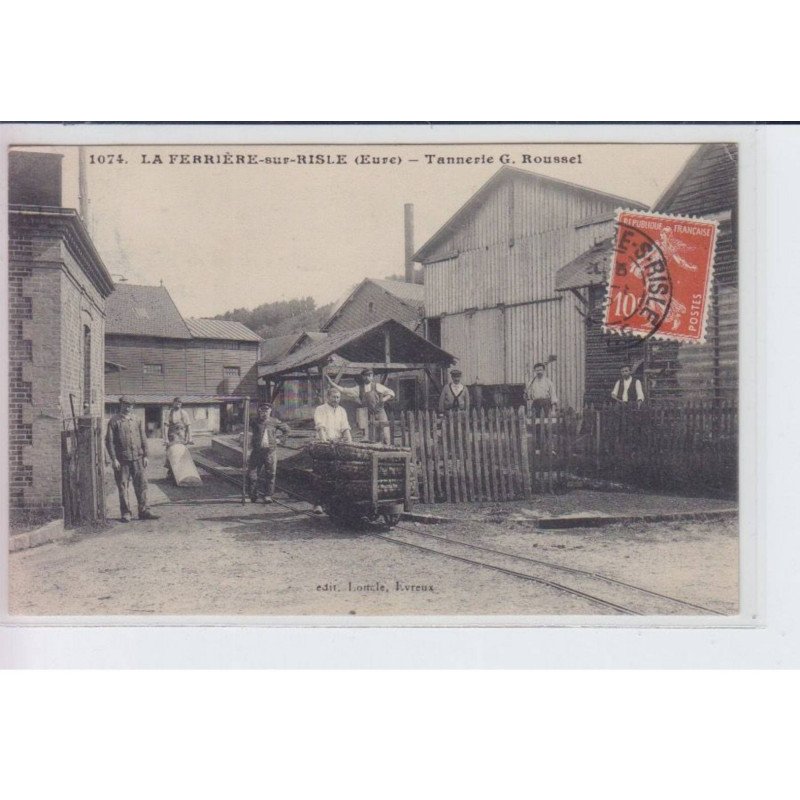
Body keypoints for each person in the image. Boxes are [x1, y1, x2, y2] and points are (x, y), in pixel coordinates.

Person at [105, 396, 159, 522]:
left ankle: (144, 510)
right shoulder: (114, 421)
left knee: (142, 485)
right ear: (121, 405)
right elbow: (109, 441)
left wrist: (146, 455)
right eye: (125, 405)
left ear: (133, 407)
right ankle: (126, 513)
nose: (128, 408)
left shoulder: (137, 420)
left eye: (130, 406)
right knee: (123, 486)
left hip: (138, 459)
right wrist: (114, 459)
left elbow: (143, 438)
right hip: (122, 460)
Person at [312, 387, 353, 514]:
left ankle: (336, 503)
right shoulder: (321, 409)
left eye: (338, 397)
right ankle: (317, 504)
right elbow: (320, 427)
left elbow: (345, 428)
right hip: (324, 443)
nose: (336, 400)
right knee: (322, 474)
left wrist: (350, 443)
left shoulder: (342, 410)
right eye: (333, 397)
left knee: (339, 472)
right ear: (327, 397)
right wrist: (325, 443)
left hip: (338, 444)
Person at [327, 368, 395, 444]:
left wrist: (384, 399)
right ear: (363, 377)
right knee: (372, 437)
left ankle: (387, 449)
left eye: (370, 375)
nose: (369, 377)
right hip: (368, 415)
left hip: (380, 413)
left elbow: (391, 393)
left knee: (385, 434)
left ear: (372, 377)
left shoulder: (377, 386)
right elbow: (344, 390)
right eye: (366, 375)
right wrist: (331, 383)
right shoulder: (359, 388)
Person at [247, 401, 290, 503]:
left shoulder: (274, 421)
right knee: (252, 474)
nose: (264, 413)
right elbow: (245, 427)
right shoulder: (254, 421)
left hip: (270, 452)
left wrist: (280, 440)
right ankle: (253, 495)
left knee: (270, 474)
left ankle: (268, 495)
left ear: (270, 411)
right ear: (259, 411)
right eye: (262, 410)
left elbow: (287, 430)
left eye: (267, 411)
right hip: (256, 452)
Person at [163, 397, 192, 476]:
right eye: (177, 402)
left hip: (182, 436)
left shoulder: (184, 413)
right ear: (173, 403)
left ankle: (181, 474)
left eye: (180, 403)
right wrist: (166, 439)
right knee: (172, 454)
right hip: (172, 436)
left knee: (181, 454)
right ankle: (171, 473)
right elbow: (166, 426)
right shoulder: (169, 413)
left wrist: (189, 438)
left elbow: (188, 426)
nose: (178, 404)